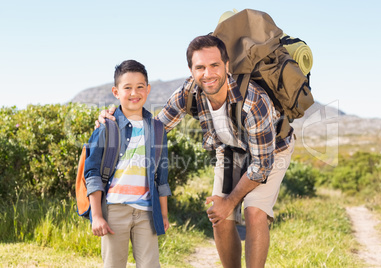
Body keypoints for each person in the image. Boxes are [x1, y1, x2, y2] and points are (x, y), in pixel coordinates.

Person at [98, 35, 294, 268]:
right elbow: (155, 128)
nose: (208, 74)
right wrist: (114, 119)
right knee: (219, 217)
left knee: (254, 213)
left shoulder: (253, 101)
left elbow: (261, 165)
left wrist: (230, 201)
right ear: (191, 70)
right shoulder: (188, 92)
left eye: (214, 65)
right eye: (200, 67)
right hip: (231, 150)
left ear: (227, 66)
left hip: (271, 152)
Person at [85, 59, 171, 267]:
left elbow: (162, 176)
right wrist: (96, 215)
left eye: (140, 87)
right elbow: (93, 172)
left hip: (147, 212)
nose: (134, 93)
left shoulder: (158, 130)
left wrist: (164, 214)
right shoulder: (107, 127)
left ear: (148, 89)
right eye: (127, 88)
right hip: (115, 210)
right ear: (116, 92)